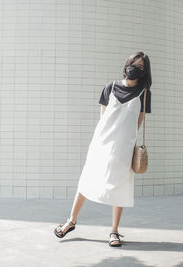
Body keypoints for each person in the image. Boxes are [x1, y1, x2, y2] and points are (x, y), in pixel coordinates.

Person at [54, 51, 152, 247]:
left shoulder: (144, 94)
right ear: (127, 64)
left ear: (144, 72)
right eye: (134, 63)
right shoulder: (110, 87)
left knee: (120, 185)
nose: (136, 68)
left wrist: (126, 139)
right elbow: (103, 117)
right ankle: (71, 221)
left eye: (141, 67)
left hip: (124, 146)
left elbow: (139, 120)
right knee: (87, 180)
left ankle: (114, 231)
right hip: (102, 143)